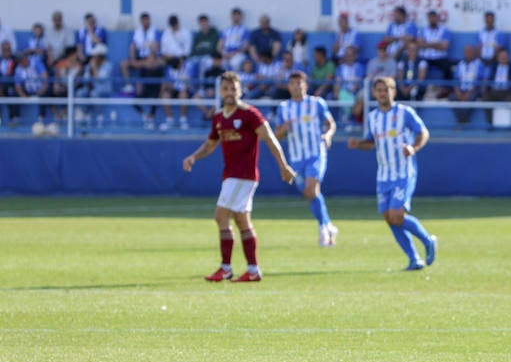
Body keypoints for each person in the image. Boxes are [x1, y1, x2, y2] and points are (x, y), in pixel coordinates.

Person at [181, 71, 297, 282]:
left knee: (221, 216)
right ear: (220, 91)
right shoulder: (218, 117)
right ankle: (252, 270)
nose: (229, 92)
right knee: (242, 220)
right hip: (231, 175)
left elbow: (270, 139)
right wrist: (194, 157)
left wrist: (283, 165)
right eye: (225, 89)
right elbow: (211, 144)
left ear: (240, 90)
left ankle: (226, 268)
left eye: (233, 89)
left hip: (243, 175)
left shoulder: (249, 114)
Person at [347, 76, 437, 271]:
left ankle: (428, 240)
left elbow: (423, 133)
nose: (382, 93)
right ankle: (414, 259)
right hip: (383, 175)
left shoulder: (405, 112)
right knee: (389, 218)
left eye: (385, 90)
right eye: (379, 90)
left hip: (403, 172)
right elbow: (370, 143)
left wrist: (413, 148)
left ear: (393, 92)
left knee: (396, 215)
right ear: (374, 93)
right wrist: (358, 144)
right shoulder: (373, 117)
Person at [274, 70, 339, 246]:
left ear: (305, 85)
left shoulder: (317, 103)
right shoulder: (283, 108)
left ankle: (323, 228)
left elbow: (331, 124)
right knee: (310, 193)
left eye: (299, 83)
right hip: (296, 158)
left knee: (311, 188)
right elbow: (276, 135)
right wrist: (283, 129)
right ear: (288, 87)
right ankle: (328, 225)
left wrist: (328, 135)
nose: (296, 86)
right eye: (293, 83)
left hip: (315, 153)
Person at [451, 44, 485, 127]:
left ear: (473, 53)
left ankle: (461, 121)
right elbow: (456, 80)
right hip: (461, 90)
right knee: (452, 98)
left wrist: (468, 93)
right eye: (466, 52)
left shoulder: (479, 64)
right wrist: (458, 92)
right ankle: (463, 120)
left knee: (471, 98)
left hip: (474, 90)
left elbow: (479, 80)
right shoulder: (460, 64)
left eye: (470, 51)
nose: (468, 53)